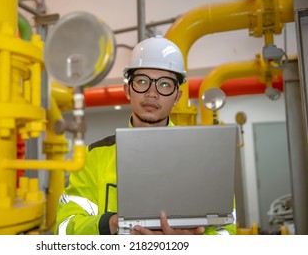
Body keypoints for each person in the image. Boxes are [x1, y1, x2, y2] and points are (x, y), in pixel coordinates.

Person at [55, 35, 236, 235]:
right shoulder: (93, 157)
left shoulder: (204, 156)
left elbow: (227, 231)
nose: (152, 93)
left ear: (177, 97)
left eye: (165, 84)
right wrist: (114, 224)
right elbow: (64, 230)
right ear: (127, 90)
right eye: (142, 81)